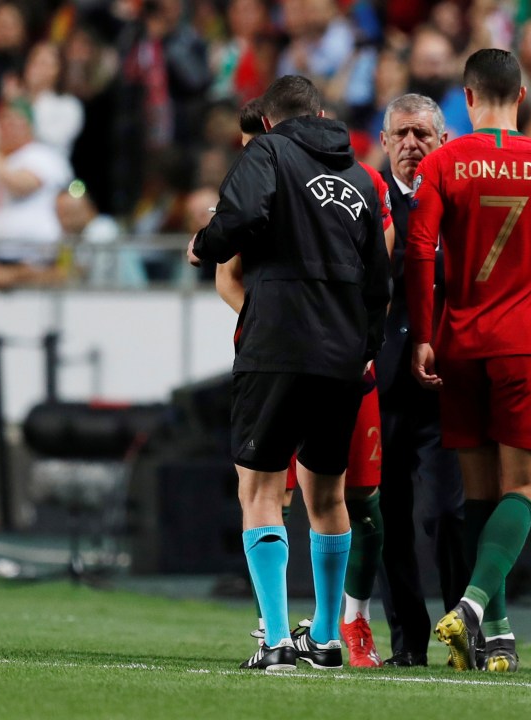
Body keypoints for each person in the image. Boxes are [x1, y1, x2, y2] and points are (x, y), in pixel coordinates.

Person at [187, 75, 391, 671]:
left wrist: (205, 241)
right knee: (328, 495)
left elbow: (243, 214)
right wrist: (363, 345)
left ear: (270, 121)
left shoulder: (268, 152)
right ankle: (327, 637)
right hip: (341, 358)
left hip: (277, 346)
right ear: (321, 114)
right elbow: (380, 280)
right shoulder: (358, 176)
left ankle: (275, 638)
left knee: (260, 489)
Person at [405, 48, 531, 672]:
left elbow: (419, 248)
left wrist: (424, 333)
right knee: (529, 487)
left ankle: (496, 636)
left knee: (480, 495)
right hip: (525, 343)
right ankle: (476, 604)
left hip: (460, 342)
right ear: (523, 94)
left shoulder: (443, 162)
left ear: (467, 95)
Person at [374, 92, 470, 668]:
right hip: (383, 384)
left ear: (442, 142)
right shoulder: (367, 204)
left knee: (445, 513)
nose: (412, 144)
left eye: (422, 135)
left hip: (441, 383)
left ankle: (463, 630)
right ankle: (407, 642)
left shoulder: (458, 204)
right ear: (384, 143)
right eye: (401, 135)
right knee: (388, 519)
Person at [0, 98, 73, 289]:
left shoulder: (41, 155)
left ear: (29, 126)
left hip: (30, 264)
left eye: (14, 121)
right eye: (3, 121)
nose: (7, 127)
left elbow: (20, 185)